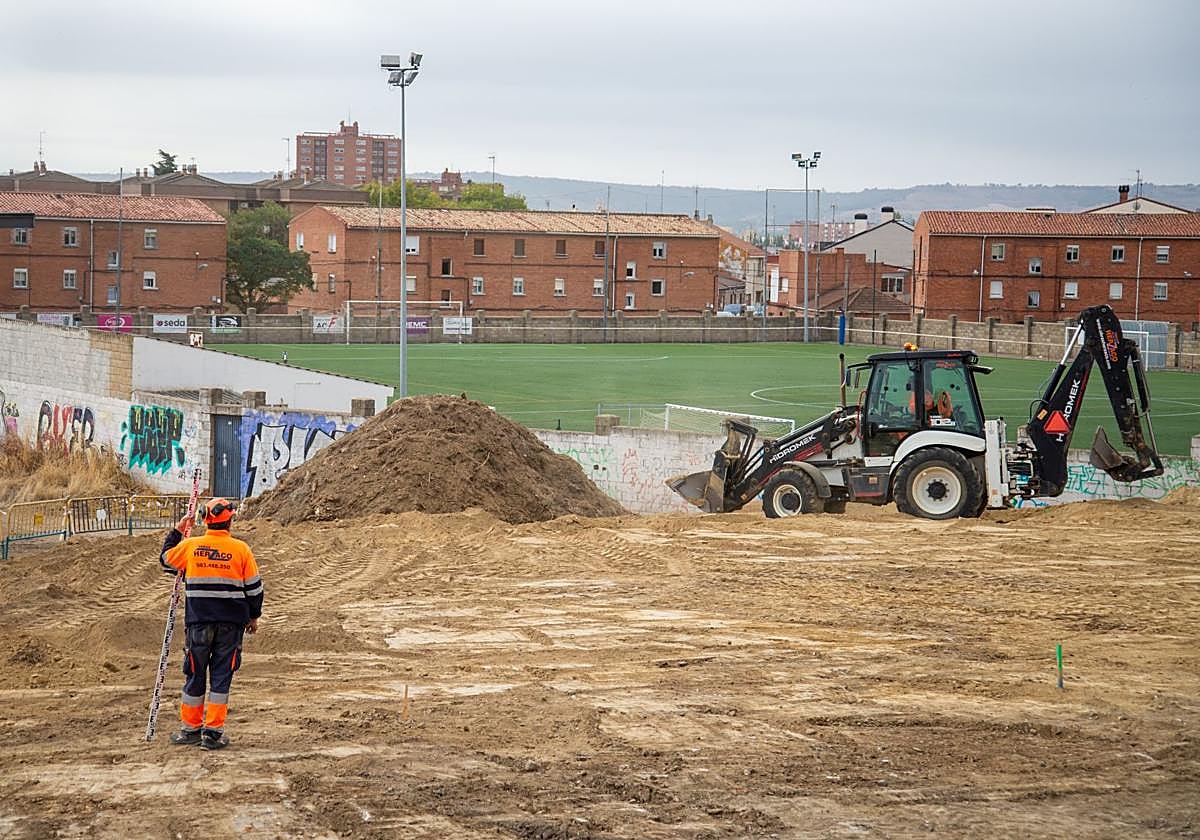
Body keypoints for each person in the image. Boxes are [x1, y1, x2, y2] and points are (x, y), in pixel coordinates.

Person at [159, 498, 263, 750]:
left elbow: (165, 560)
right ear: (229, 520)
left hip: (199, 624)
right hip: (231, 626)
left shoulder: (191, 546)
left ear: (205, 520)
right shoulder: (241, 549)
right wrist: (253, 615)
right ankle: (213, 734)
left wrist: (177, 531)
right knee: (221, 677)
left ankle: (190, 730)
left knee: (195, 674)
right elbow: (255, 589)